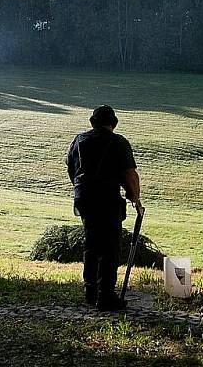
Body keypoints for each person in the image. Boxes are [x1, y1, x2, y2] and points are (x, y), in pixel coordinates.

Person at [66, 105, 140, 311]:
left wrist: (83, 189)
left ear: (92, 122)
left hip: (84, 199)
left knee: (92, 244)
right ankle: (105, 296)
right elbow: (129, 175)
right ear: (114, 124)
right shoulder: (118, 142)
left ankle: (90, 291)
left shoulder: (79, 141)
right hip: (107, 200)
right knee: (109, 248)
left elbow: (72, 169)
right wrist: (135, 198)